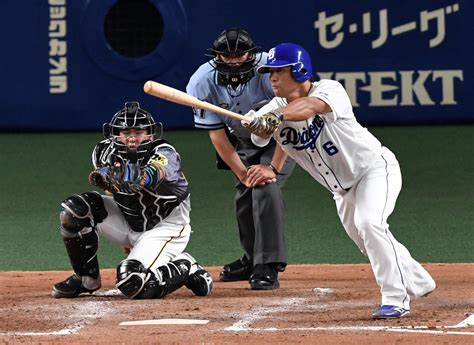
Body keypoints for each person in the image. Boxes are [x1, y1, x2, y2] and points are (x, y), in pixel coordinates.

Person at [242, 43, 436, 318]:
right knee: (367, 240)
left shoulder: (330, 90)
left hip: (373, 170)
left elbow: (309, 107)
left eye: (279, 70)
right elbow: (264, 138)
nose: (272, 77)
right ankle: (419, 280)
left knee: (370, 224)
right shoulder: (273, 109)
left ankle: (396, 298)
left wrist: (274, 117)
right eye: (269, 71)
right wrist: (259, 129)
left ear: (299, 70)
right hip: (341, 190)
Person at [52, 101, 213, 299]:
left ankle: (186, 265)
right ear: (115, 134)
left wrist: (141, 177)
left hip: (165, 227)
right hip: (128, 220)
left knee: (133, 282)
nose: (131, 139)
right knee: (74, 210)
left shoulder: (165, 152)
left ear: (150, 134)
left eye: (138, 132)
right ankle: (86, 279)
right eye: (126, 132)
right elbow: (113, 186)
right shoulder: (104, 151)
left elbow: (157, 171)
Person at [186, 28, 295, 290]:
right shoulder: (201, 82)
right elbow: (218, 136)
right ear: (217, 56)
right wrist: (242, 172)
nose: (233, 60)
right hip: (241, 140)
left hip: (282, 137)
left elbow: (292, 118)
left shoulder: (271, 71)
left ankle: (267, 265)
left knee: (266, 187)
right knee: (245, 194)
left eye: (240, 54)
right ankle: (251, 259)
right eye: (226, 55)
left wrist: (272, 166)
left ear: (251, 53)